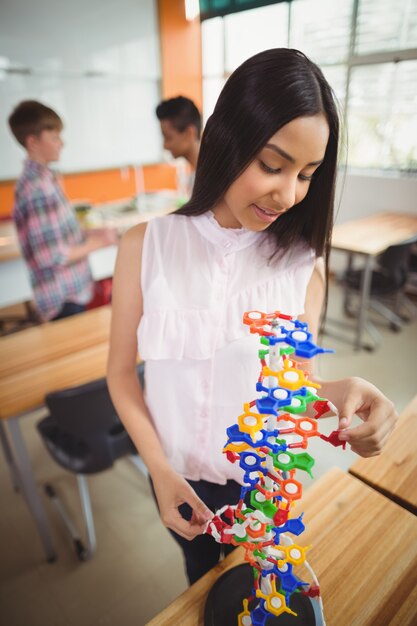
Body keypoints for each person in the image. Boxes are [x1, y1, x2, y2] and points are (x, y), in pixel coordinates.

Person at [108, 49, 397, 585]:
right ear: (224, 138)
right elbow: (121, 374)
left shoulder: (302, 262)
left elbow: (293, 389)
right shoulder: (146, 246)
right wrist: (160, 471)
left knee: (258, 589)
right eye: (272, 165)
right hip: (178, 478)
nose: (288, 195)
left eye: (307, 174)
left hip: (263, 485)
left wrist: (343, 395)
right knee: (200, 579)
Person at [8, 100, 117, 322]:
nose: (61, 143)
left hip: (71, 290)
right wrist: (99, 243)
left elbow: (58, 235)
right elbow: (51, 255)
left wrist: (89, 235)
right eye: (54, 137)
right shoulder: (36, 188)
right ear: (33, 142)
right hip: (63, 299)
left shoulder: (45, 179)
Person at [155, 96, 201, 193]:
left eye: (168, 137)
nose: (165, 146)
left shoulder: (210, 179)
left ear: (189, 133)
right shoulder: (195, 178)